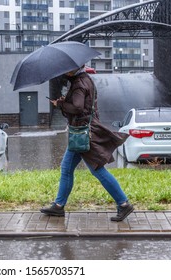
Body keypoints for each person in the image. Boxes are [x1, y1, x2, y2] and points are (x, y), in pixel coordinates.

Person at [41, 66, 134, 222]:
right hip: (81, 132)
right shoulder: (85, 80)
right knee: (66, 168)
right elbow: (82, 105)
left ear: (72, 70)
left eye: (66, 70)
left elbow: (77, 107)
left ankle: (123, 203)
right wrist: (65, 101)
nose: (63, 72)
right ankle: (58, 206)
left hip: (82, 134)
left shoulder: (79, 83)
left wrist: (61, 105)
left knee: (98, 170)